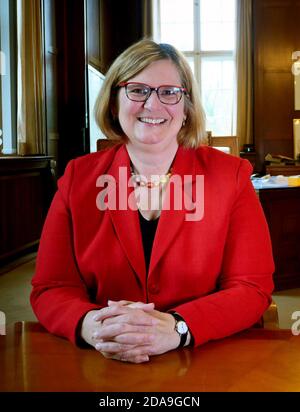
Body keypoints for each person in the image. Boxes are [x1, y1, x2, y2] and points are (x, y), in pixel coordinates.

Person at [31, 39, 274, 364]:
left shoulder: (230, 176)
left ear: (186, 107)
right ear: (114, 103)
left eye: (169, 92)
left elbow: (251, 287)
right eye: (138, 90)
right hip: (103, 360)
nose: (153, 104)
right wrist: (93, 325)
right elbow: (51, 286)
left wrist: (178, 327)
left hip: (204, 358)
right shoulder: (79, 177)